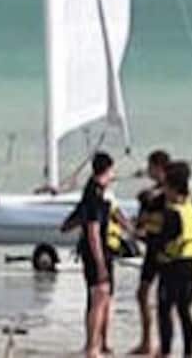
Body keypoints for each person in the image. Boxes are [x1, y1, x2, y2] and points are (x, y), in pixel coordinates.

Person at [132, 149, 192, 357]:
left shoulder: (185, 203)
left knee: (172, 309)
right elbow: (145, 218)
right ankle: (155, 345)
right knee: (161, 302)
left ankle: (166, 351)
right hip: (172, 258)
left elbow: (160, 233)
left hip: (172, 260)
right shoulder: (158, 198)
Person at [153, 161, 192, 357]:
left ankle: (165, 352)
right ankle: (189, 353)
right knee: (185, 311)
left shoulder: (172, 213)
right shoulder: (190, 207)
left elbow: (163, 239)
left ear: (172, 187)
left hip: (172, 266)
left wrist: (141, 235)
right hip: (189, 265)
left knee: (165, 310)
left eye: (165, 185)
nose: (163, 190)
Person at [73, 150, 117, 358]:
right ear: (107, 170)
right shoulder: (94, 194)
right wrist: (100, 263)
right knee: (98, 296)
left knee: (103, 297)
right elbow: (93, 231)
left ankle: (102, 343)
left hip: (103, 251)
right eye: (112, 171)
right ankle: (92, 347)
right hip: (95, 252)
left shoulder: (98, 190)